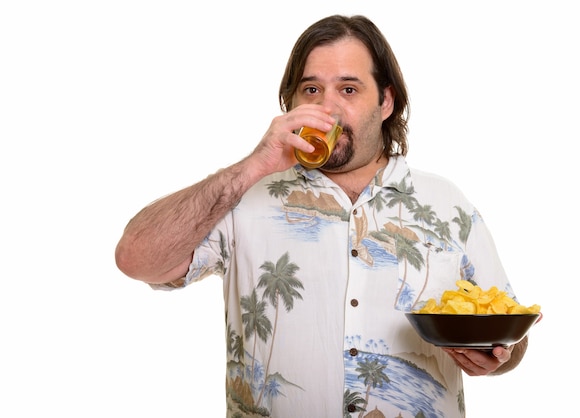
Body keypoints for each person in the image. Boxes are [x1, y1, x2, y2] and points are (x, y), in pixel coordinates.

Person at [115, 14, 530, 418]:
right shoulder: (243, 198)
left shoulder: (447, 202)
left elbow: (510, 331)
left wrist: (499, 357)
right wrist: (252, 167)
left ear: (385, 102)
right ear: (290, 103)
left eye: (348, 90)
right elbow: (136, 259)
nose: (327, 108)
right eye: (311, 90)